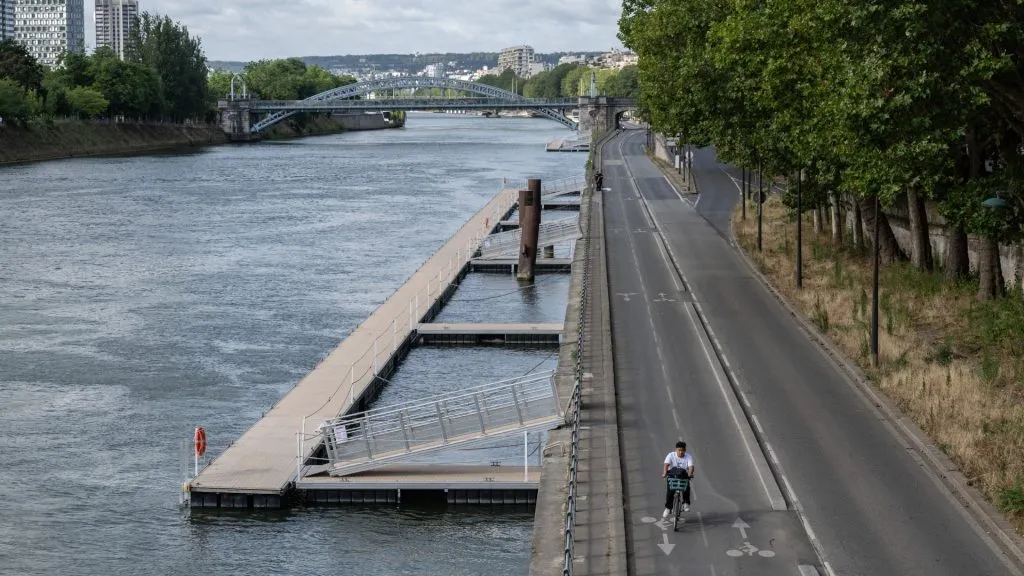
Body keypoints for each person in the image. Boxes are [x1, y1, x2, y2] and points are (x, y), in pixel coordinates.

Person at [662, 441, 694, 518]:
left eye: (682, 450)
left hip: (683, 476)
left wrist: (689, 475)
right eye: (679, 450)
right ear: (676, 450)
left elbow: (691, 467)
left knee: (686, 487)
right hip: (672, 476)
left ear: (685, 450)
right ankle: (668, 508)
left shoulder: (688, 457)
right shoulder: (671, 455)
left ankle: (685, 503)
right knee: (670, 491)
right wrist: (664, 473)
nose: (680, 452)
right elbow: (666, 464)